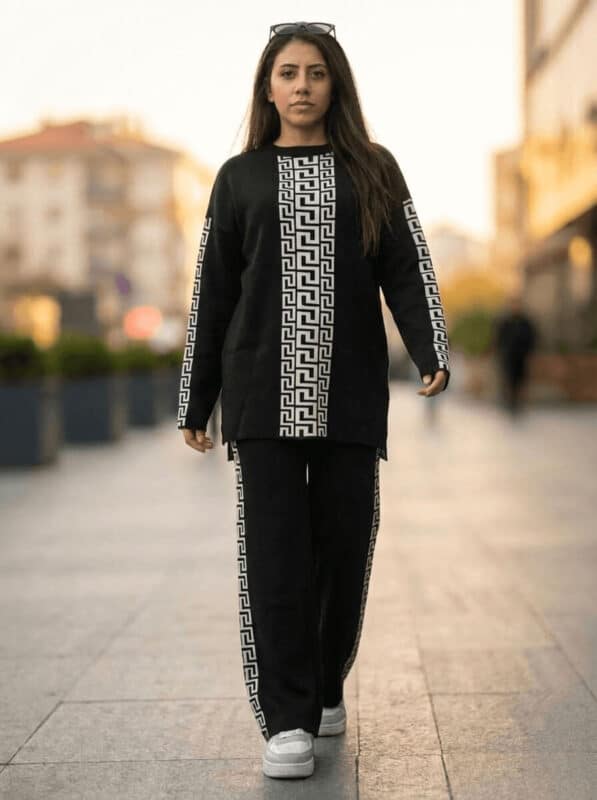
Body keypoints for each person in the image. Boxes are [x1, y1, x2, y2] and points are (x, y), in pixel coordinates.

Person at [177, 21, 451, 780]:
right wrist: (197, 398)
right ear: (268, 88)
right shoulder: (238, 177)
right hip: (261, 395)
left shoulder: (373, 169)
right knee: (275, 558)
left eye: (317, 73)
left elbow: (407, 265)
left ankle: (327, 679)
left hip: (351, 393)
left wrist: (430, 346)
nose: (302, 86)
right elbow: (213, 291)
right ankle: (287, 719)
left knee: (344, 546)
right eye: (289, 73)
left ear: (336, 86)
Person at [492, 293, 537, 416]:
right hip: (508, 356)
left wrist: (528, 351)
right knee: (508, 379)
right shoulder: (505, 322)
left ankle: (519, 402)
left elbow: (531, 338)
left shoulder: (526, 322)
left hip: (521, 356)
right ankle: (509, 402)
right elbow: (499, 338)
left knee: (520, 380)